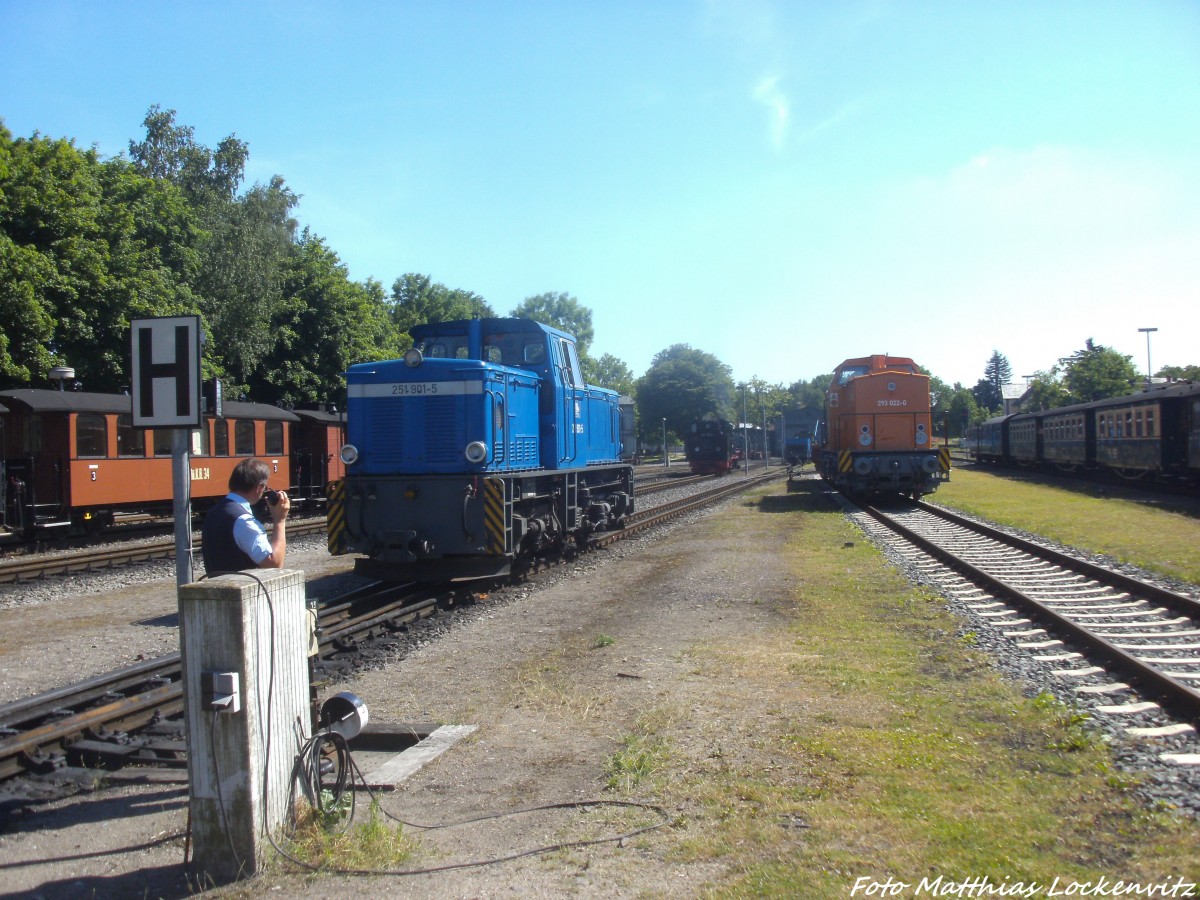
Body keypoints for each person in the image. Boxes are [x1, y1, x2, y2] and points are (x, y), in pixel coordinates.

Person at [201, 458, 290, 575]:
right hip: (240, 590)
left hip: (216, 588)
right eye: (265, 487)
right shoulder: (244, 521)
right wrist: (280, 520)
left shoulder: (214, 512)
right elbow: (274, 564)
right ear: (259, 487)